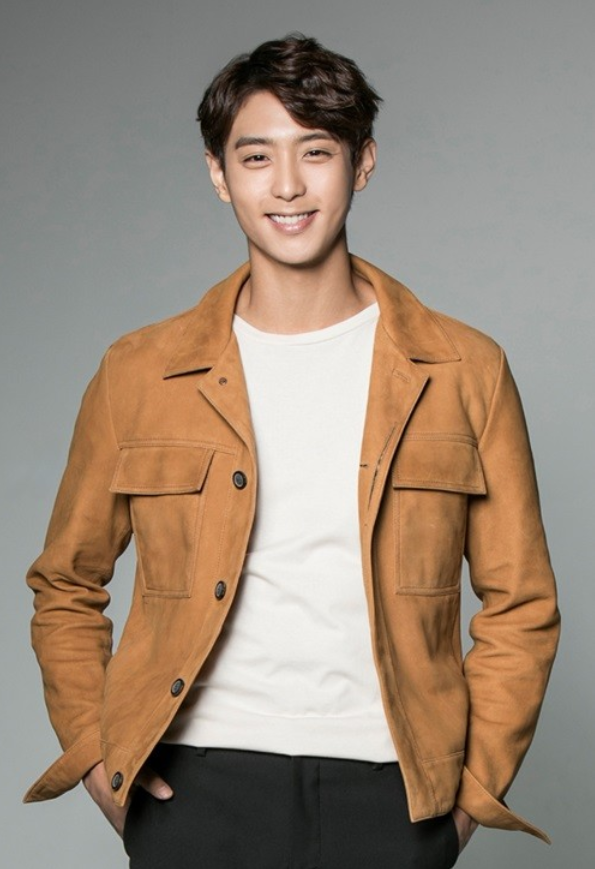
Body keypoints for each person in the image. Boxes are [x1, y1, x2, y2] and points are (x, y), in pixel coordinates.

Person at [24, 34, 560, 869]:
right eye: (255, 156)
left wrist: (470, 792)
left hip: (394, 792)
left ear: (361, 162)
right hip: (195, 786)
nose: (286, 185)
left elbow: (521, 603)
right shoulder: (139, 373)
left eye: (316, 152)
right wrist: (98, 758)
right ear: (218, 173)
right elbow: (66, 581)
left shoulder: (464, 370)